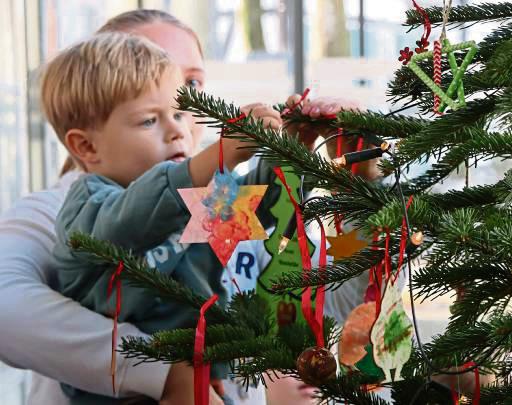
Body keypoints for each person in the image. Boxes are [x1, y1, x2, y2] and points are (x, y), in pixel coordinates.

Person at [0, 9, 359, 405]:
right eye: (149, 119)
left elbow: (256, 207)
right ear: (86, 145)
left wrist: (289, 148)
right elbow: (134, 215)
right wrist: (217, 158)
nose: (179, 129)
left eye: (183, 105)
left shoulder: (196, 199)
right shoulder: (81, 207)